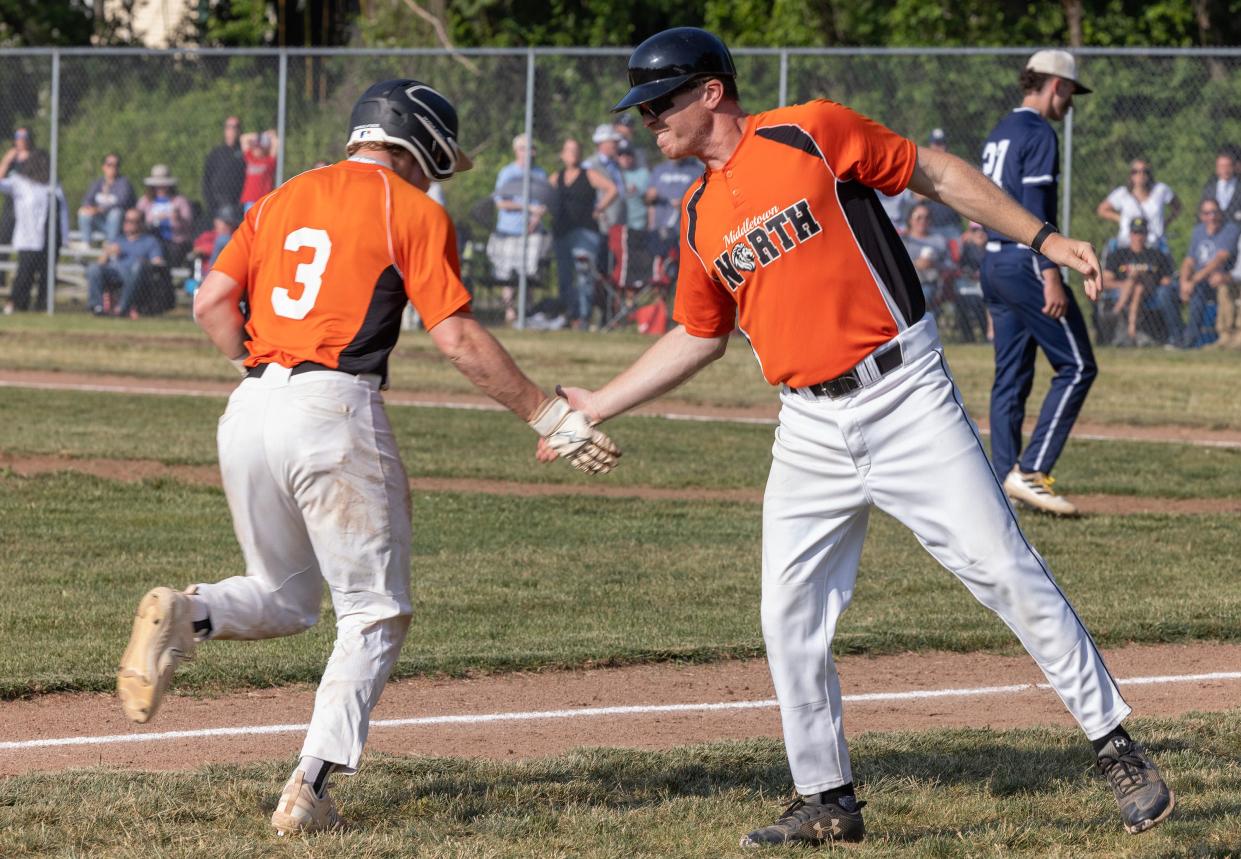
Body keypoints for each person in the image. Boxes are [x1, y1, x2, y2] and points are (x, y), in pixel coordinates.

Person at [551, 26, 1174, 849]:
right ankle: (826, 797)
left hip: (904, 391)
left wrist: (1042, 238)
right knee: (787, 613)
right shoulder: (698, 214)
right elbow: (698, 336)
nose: (646, 122)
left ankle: (1116, 747)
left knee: (1001, 568)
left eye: (658, 103)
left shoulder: (807, 130)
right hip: (806, 424)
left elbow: (939, 174)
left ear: (710, 93)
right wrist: (600, 399)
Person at [115, 78, 618, 837]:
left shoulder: (282, 195)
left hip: (250, 402)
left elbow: (211, 303)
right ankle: (310, 785)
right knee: (375, 611)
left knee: (284, 598)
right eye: (435, 164)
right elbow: (455, 338)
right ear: (416, 143)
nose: (431, 180)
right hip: (333, 407)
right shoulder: (409, 208)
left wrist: (263, 380)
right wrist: (550, 415)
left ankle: (189, 612)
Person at [979, 50, 1098, 518]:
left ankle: (1004, 479)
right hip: (1028, 261)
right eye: (1070, 91)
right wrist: (1052, 275)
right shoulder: (1037, 132)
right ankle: (1030, 472)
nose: (1070, 101)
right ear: (1057, 85)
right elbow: (1035, 206)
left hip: (992, 260)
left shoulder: (1000, 131)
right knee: (1077, 366)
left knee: (1011, 375)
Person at [549, 137, 617, 328]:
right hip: (562, 232)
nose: (573, 154)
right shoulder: (557, 177)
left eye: (576, 150)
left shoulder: (589, 174)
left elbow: (612, 189)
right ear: (562, 154)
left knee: (584, 275)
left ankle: (584, 317)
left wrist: (599, 208)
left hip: (585, 232)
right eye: (569, 150)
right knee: (565, 277)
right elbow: (544, 194)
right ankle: (569, 314)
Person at [487, 132, 549, 323]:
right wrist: (527, 207)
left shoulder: (540, 173)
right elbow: (500, 203)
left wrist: (536, 217)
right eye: (524, 149)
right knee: (508, 275)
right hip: (508, 231)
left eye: (531, 149)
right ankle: (510, 312)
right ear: (516, 151)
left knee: (528, 273)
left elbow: (545, 201)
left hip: (531, 232)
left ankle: (527, 311)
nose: (528, 153)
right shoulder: (507, 173)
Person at [0, 147, 68, 314]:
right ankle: (16, 304)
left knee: (47, 275)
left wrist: (64, 237)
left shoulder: (53, 185)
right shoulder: (19, 183)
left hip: (51, 238)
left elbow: (63, 211)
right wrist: (6, 162)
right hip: (29, 237)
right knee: (25, 274)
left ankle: (42, 306)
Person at [1101, 216, 1176, 347]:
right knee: (1138, 287)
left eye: (1142, 232)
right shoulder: (1118, 254)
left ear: (1147, 235)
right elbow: (1105, 281)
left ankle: (1116, 312)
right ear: (1130, 234)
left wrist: (1139, 276)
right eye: (1135, 232)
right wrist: (1126, 284)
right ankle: (1132, 331)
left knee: (1138, 279)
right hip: (1129, 290)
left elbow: (1166, 280)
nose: (1138, 236)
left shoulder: (1156, 254)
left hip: (1151, 289)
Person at [1179, 198, 1239, 348]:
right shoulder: (1198, 231)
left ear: (1220, 213)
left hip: (1219, 279)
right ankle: (1176, 338)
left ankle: (1191, 340)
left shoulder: (1231, 230)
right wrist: (1183, 283)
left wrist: (1193, 281)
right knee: (1166, 293)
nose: (1211, 217)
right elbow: (1189, 261)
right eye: (1207, 213)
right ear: (1201, 216)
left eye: (1214, 212)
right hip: (1201, 279)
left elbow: (1220, 259)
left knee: (1199, 291)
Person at [85, 207, 166, 317]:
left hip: (137, 276)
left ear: (141, 223)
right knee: (93, 268)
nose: (128, 224)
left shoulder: (150, 241)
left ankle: (122, 309)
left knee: (137, 267)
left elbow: (158, 263)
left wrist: (143, 263)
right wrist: (107, 253)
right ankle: (97, 307)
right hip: (115, 273)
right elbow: (100, 263)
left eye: (132, 221)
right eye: (126, 220)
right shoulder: (118, 239)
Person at [1096, 157, 1180, 246]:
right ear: (1131, 175)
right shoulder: (1122, 193)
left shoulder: (1161, 190)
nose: (1141, 175)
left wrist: (1165, 223)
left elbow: (1177, 207)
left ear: (1149, 174)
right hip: (1127, 244)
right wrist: (1121, 219)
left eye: (1145, 171)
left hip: (1154, 243)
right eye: (1136, 171)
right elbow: (1102, 209)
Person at [136, 164, 193, 266]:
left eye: (163, 185)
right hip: (152, 239)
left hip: (174, 241)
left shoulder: (180, 201)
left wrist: (177, 219)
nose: (160, 187)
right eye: (157, 185)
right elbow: (137, 217)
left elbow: (188, 223)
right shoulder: (145, 201)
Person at [77, 153, 136, 246]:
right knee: (83, 212)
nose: (113, 167)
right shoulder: (98, 183)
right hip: (100, 221)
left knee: (115, 213)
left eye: (116, 165)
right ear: (104, 167)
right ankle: (86, 242)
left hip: (118, 224)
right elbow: (87, 199)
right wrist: (89, 207)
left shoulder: (124, 183)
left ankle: (110, 244)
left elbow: (122, 202)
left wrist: (100, 209)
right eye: (109, 164)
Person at [901, 202, 949, 307]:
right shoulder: (903, 241)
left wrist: (934, 264)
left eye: (926, 217)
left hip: (932, 284)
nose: (923, 221)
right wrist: (915, 264)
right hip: (907, 284)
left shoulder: (938, 240)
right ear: (910, 219)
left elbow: (949, 264)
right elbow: (896, 264)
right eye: (919, 217)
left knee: (926, 293)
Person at [918, 128, 963, 238]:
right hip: (930, 226)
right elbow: (917, 196)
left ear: (946, 147)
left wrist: (931, 189)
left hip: (952, 226)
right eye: (935, 144)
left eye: (941, 144)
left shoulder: (955, 167)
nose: (938, 148)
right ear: (930, 146)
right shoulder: (922, 167)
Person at [585, 123, 626, 231]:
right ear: (602, 143)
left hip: (618, 220)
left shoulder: (615, 165)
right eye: (613, 142)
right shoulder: (590, 165)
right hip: (600, 221)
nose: (616, 145)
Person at [202, 116, 246, 217]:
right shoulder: (216, 153)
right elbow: (206, 180)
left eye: (235, 127)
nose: (232, 131)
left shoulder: (244, 153)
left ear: (240, 131)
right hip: (217, 203)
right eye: (229, 127)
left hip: (237, 204)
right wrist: (210, 204)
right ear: (225, 130)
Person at [1199, 148, 1241, 227]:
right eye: (1221, 166)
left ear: (1233, 167)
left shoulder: (1239, 187)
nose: (1225, 170)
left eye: (1227, 166)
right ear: (1217, 169)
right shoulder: (1209, 188)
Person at [240, 129, 279, 211]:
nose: (257, 149)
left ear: (265, 148)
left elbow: (277, 143)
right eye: (255, 147)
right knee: (250, 222)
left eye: (260, 147)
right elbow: (243, 138)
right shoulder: (249, 157)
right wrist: (260, 135)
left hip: (263, 200)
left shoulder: (269, 161)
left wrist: (270, 136)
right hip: (249, 200)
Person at [617, 140, 651, 230]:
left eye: (628, 154)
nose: (625, 158)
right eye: (621, 154)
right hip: (618, 224)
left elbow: (649, 200)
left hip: (639, 224)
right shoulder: (614, 174)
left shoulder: (644, 173)